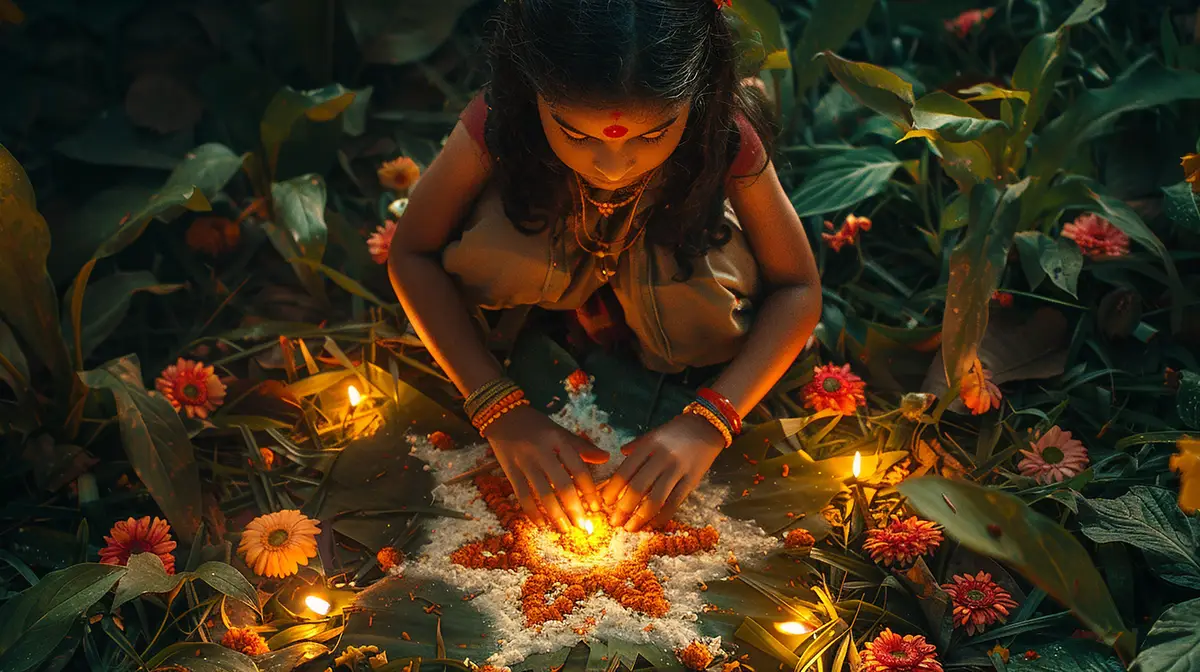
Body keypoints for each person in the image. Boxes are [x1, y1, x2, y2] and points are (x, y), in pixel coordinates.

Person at [387, 0, 821, 536]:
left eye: (653, 134)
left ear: (699, 94)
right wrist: (498, 409)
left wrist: (709, 423)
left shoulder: (722, 131)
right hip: (541, 236)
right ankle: (555, 310)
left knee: (705, 306)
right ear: (531, 89)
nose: (613, 166)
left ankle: (640, 313)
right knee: (496, 253)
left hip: (677, 253)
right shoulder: (502, 119)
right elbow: (412, 253)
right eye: (575, 135)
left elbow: (798, 288)